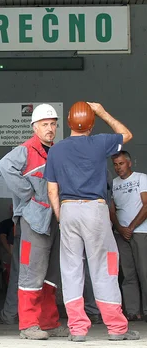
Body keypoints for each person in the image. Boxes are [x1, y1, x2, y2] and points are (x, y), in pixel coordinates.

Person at [45, 102, 139, 342]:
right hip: (95, 211)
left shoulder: (56, 150)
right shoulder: (100, 143)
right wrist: (102, 111)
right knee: (104, 267)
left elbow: (52, 190)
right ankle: (117, 328)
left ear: (68, 122)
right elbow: (127, 134)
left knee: (71, 269)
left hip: (68, 211)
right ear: (92, 123)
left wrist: (60, 216)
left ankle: (77, 329)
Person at [0, 104, 69, 340]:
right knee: (31, 273)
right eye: (45, 124)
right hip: (33, 221)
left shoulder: (56, 151)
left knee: (50, 275)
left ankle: (49, 322)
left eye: (53, 124)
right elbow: (3, 166)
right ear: (34, 127)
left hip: (53, 221)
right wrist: (28, 195)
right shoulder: (26, 150)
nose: (50, 128)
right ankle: (28, 324)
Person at [110, 151, 147, 321]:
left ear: (129, 163)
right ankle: (133, 311)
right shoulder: (114, 183)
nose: (118, 167)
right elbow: (112, 209)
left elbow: (146, 205)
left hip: (140, 232)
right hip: (121, 234)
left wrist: (131, 227)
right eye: (115, 164)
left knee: (144, 272)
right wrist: (120, 228)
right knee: (127, 273)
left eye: (121, 163)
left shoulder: (141, 178)